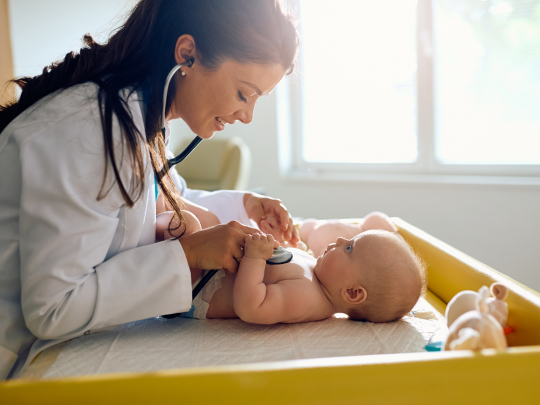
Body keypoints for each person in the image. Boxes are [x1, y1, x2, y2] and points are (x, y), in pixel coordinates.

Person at [0, 0, 299, 379]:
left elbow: (159, 203)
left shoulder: (144, 115)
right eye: (244, 94)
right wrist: (187, 254)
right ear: (187, 54)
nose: (247, 115)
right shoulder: (91, 128)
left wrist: (246, 206)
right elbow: (53, 307)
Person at [156, 211, 426, 323]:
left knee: (185, 223)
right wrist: (276, 240)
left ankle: (138, 246)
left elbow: (252, 307)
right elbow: (284, 260)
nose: (341, 239)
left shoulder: (308, 299)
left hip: (197, 289)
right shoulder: (316, 272)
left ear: (352, 293)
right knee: (198, 219)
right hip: (210, 265)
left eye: (349, 248)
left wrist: (255, 258)